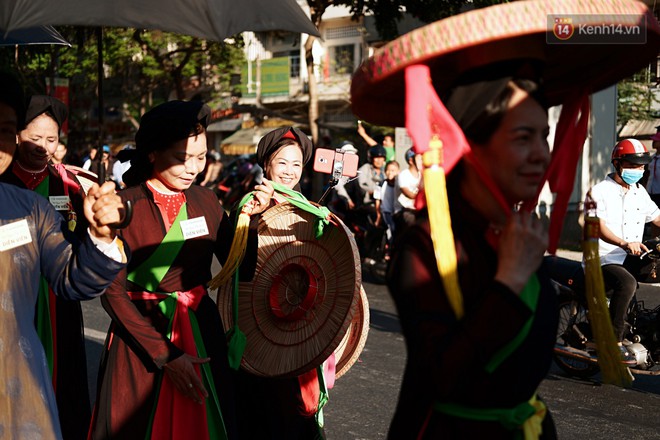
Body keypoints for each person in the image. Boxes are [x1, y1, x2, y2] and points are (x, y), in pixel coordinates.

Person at [88, 100, 273, 440]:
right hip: (143, 340)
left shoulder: (205, 200)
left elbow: (241, 266)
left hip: (202, 331)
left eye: (201, 157)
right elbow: (112, 294)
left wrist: (250, 218)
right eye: (181, 158)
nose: (193, 169)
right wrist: (164, 353)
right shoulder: (124, 206)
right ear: (152, 154)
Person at [387, 74, 559, 438]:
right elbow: (443, 375)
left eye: (544, 136)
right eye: (523, 137)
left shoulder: (517, 231)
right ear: (469, 145)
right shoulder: (423, 245)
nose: (542, 153)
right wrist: (509, 281)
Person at [0, 71, 128, 440]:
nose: (42, 146)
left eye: (6, 130)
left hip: (19, 373)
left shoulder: (37, 204)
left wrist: (102, 235)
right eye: (32, 136)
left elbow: (73, 276)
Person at [0, 94, 93, 440]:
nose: (42, 146)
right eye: (34, 138)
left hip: (58, 296)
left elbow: (85, 248)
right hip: (14, 294)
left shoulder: (69, 186)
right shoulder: (5, 182)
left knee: (63, 381)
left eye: (51, 139)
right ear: (17, 137)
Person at [234, 126, 330, 440]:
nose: (289, 172)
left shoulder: (306, 204)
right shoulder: (252, 202)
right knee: (267, 408)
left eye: (296, 164)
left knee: (298, 403)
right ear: (267, 166)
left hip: (299, 317)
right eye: (282, 164)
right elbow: (238, 263)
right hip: (260, 320)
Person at [588, 138, 660, 360]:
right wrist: (623, 243)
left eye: (641, 166)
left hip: (632, 255)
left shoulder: (639, 191)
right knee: (627, 283)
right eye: (632, 165)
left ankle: (647, 329)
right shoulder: (599, 192)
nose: (638, 170)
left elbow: (657, 217)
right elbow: (596, 226)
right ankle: (613, 340)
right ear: (617, 164)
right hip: (604, 257)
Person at [393, 147, 421, 237]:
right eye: (419, 158)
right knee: (413, 222)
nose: (422, 161)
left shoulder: (422, 175)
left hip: (417, 210)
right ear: (411, 161)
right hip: (403, 211)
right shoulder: (403, 175)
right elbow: (408, 194)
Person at [374, 160, 400, 253]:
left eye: (393, 170)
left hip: (397, 212)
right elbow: (377, 199)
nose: (390, 173)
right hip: (386, 211)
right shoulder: (381, 184)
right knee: (391, 228)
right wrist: (378, 215)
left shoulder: (400, 184)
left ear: (398, 171)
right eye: (388, 170)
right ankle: (389, 250)